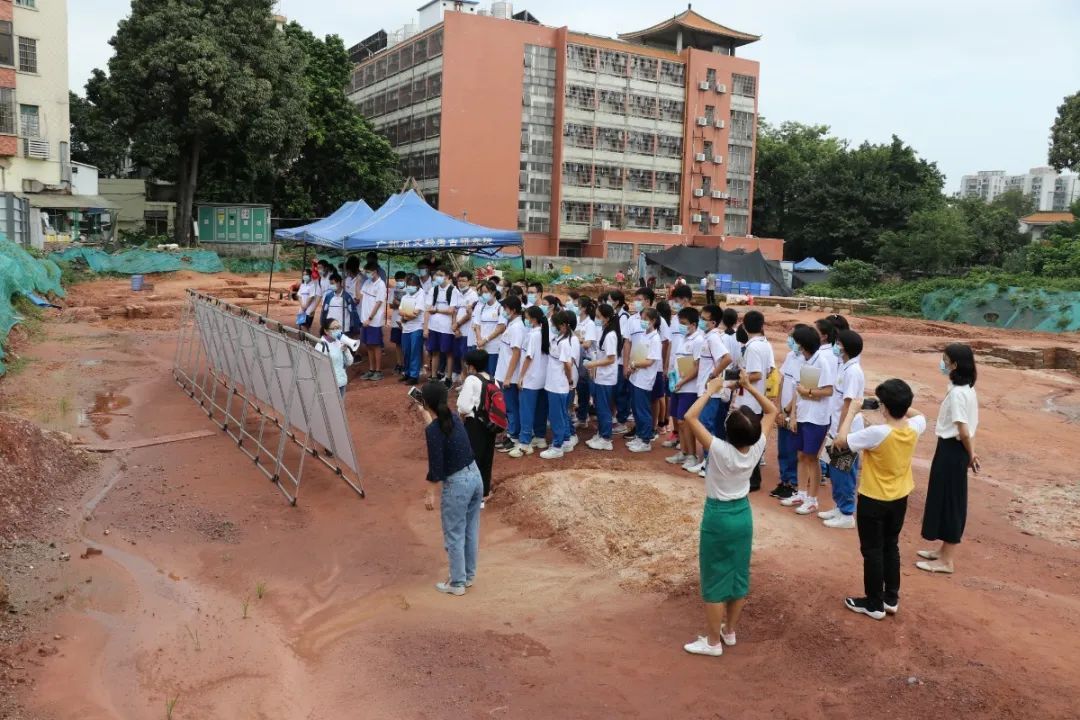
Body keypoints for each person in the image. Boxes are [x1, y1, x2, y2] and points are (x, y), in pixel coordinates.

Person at [682, 370, 777, 656]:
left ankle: (712, 643)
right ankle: (730, 632)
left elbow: (690, 417)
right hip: (742, 516)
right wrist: (749, 386)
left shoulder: (720, 450)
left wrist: (711, 390)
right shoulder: (757, 445)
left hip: (718, 517)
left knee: (714, 577)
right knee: (737, 575)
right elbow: (771, 410)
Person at [835, 379, 926, 620]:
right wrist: (896, 405)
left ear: (884, 406)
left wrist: (853, 411)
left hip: (874, 498)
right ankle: (890, 598)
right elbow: (918, 414)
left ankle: (874, 603)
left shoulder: (877, 433)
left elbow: (842, 441)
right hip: (900, 496)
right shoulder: (914, 426)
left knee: (872, 551)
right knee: (890, 546)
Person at [416, 380, 483, 596]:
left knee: (454, 533)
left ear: (426, 403)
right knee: (470, 529)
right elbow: (439, 428)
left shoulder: (435, 430)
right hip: (475, 477)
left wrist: (429, 494)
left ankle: (457, 583)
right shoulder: (453, 417)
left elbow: (436, 466)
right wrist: (427, 416)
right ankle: (468, 576)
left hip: (458, 485)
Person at [917, 344, 979, 575]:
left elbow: (963, 431)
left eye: (945, 360)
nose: (942, 364)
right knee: (943, 497)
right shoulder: (963, 389)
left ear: (954, 364)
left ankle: (947, 560)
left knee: (952, 502)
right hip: (951, 448)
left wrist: (971, 454)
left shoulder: (959, 394)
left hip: (953, 449)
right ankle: (942, 551)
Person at [781, 325, 835, 515]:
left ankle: (812, 499)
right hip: (803, 415)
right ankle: (801, 493)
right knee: (801, 456)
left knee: (812, 458)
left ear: (803, 344)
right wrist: (793, 416)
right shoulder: (802, 360)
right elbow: (797, 389)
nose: (793, 345)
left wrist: (809, 392)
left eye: (796, 341)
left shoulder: (823, 361)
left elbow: (829, 390)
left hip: (817, 418)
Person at [821, 330, 867, 528]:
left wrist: (841, 432)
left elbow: (848, 403)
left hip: (846, 431)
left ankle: (847, 513)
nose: (835, 346)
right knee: (835, 469)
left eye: (838, 343)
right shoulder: (844, 367)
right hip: (836, 427)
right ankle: (839, 507)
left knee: (845, 471)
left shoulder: (853, 372)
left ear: (845, 348)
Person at [731, 310, 774, 492]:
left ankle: (752, 480)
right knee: (752, 441)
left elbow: (756, 374)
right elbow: (770, 370)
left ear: (745, 326)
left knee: (747, 441)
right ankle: (750, 479)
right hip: (756, 398)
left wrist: (740, 380)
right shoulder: (765, 344)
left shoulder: (753, 347)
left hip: (750, 400)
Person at [688, 305, 733, 476]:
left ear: (713, 322)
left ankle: (711, 464)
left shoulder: (714, 338)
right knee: (705, 425)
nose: (700, 320)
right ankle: (706, 461)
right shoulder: (707, 337)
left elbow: (727, 358)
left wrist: (713, 375)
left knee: (706, 426)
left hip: (711, 391)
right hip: (704, 389)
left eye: (704, 318)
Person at [770, 325, 808, 499]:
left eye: (792, 337)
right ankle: (784, 480)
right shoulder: (790, 356)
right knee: (783, 448)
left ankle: (793, 483)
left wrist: (789, 410)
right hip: (784, 410)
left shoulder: (807, 361)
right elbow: (783, 380)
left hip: (795, 412)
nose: (789, 340)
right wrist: (778, 408)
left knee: (793, 449)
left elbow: (802, 389)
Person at [457, 349, 498, 505]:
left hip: (474, 425)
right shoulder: (494, 380)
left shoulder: (471, 380)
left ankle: (470, 496)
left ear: (471, 366)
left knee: (471, 460)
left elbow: (463, 407)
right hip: (491, 425)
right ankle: (483, 494)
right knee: (487, 459)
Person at [511, 305, 550, 458]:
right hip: (543, 378)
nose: (525, 320)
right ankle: (540, 438)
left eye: (526, 318)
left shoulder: (533, 335)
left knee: (526, 411)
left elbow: (528, 357)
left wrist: (521, 377)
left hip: (531, 378)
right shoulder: (544, 332)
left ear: (533, 319)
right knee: (540, 409)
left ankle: (524, 443)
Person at [667, 307, 703, 467]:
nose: (681, 326)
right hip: (678, 385)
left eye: (684, 323)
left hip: (689, 388)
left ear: (693, 324)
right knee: (678, 421)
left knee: (685, 421)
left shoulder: (698, 341)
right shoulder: (683, 338)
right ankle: (683, 451)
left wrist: (682, 381)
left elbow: (697, 366)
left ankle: (692, 455)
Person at [540, 311, 575, 459]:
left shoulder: (565, 343)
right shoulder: (558, 339)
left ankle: (557, 446)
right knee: (560, 414)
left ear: (562, 326)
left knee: (557, 416)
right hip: (553, 383)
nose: (552, 327)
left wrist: (569, 380)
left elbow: (567, 365)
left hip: (558, 385)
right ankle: (565, 440)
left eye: (554, 324)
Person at [627, 307, 662, 453]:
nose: (642, 322)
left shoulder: (655, 338)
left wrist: (634, 364)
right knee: (635, 408)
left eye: (645, 319)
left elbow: (650, 361)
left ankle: (646, 440)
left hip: (644, 379)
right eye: (641, 318)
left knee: (642, 410)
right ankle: (640, 435)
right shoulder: (644, 335)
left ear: (653, 321)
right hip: (636, 376)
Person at [585, 303, 619, 451]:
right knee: (600, 406)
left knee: (604, 408)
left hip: (606, 377)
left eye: (599, 316)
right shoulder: (605, 331)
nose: (597, 319)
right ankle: (601, 433)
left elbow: (611, 358)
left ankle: (606, 438)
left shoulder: (611, 335)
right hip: (601, 376)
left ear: (606, 318)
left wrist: (593, 364)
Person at [424, 268, 458, 385]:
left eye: (441, 275)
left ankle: (448, 377)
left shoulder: (453, 291)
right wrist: (425, 327)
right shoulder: (433, 290)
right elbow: (428, 309)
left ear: (447, 276)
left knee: (448, 352)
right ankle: (433, 376)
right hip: (434, 326)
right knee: (434, 351)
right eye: (436, 275)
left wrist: (437, 310)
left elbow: (451, 310)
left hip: (447, 328)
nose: (438, 277)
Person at [610, 290, 634, 435]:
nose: (608, 302)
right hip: (617, 359)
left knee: (621, 390)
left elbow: (623, 339)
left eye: (609, 299)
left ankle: (623, 420)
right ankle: (620, 417)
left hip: (620, 360)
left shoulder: (624, 317)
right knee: (618, 390)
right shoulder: (617, 315)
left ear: (617, 302)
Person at [359, 261, 387, 381]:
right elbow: (360, 296)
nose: (367, 274)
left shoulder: (381, 285)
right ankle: (371, 369)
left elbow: (378, 303)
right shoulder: (367, 282)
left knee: (376, 346)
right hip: (364, 319)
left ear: (375, 272)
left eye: (369, 272)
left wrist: (370, 318)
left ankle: (378, 370)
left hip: (374, 321)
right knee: (369, 345)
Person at [398, 273, 426, 386]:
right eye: (408, 284)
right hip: (406, 328)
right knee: (406, 351)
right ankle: (407, 372)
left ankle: (414, 376)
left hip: (417, 327)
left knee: (415, 351)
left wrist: (405, 315)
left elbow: (416, 313)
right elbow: (400, 311)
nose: (409, 286)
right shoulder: (405, 296)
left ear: (418, 285)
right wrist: (407, 315)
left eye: (412, 284)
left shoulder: (421, 294)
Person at [316, 320, 353, 398]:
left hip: (341, 382)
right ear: (326, 331)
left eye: (339, 328)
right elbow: (320, 367)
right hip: (329, 385)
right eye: (334, 328)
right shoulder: (320, 345)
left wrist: (346, 351)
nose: (338, 330)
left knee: (340, 408)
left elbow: (349, 362)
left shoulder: (339, 342)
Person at [475, 281, 505, 377]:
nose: (484, 294)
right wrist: (479, 340)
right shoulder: (481, 307)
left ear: (493, 293)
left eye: (486, 292)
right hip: (481, 347)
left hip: (494, 348)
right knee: (481, 374)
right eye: (482, 292)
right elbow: (477, 325)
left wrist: (486, 340)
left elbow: (501, 328)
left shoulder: (500, 308)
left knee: (491, 375)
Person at [319, 272, 359, 340]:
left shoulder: (347, 297)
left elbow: (353, 312)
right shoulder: (328, 296)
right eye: (330, 283)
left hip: (343, 328)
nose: (331, 285)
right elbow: (324, 310)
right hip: (331, 327)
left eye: (333, 283)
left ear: (339, 283)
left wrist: (354, 327)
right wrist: (323, 322)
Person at [389, 271, 408, 375]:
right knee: (397, 343)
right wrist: (395, 304)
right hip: (395, 320)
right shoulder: (393, 290)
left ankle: (406, 363)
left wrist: (399, 303)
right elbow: (391, 306)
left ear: (405, 279)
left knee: (405, 343)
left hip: (405, 320)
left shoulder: (408, 290)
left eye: (401, 280)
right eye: (397, 281)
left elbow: (409, 307)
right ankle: (399, 363)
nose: (399, 282)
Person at [296, 268, 319, 333]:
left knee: (305, 326)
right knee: (300, 326)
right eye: (303, 275)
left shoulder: (312, 285)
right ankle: (303, 340)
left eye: (306, 274)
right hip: (302, 308)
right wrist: (302, 305)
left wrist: (305, 306)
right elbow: (299, 295)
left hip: (309, 310)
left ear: (310, 275)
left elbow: (311, 297)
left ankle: (307, 340)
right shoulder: (303, 285)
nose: (304, 276)